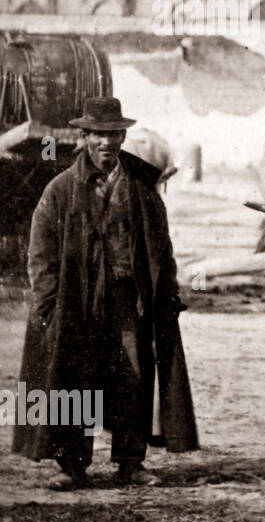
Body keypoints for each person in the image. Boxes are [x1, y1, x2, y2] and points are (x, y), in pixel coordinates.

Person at [12, 97, 199, 489]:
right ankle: (73, 468)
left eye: (114, 134)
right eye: (99, 134)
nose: (107, 143)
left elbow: (161, 249)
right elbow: (41, 254)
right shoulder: (59, 191)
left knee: (132, 378)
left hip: (128, 303)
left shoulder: (142, 191)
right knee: (77, 380)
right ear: (84, 137)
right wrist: (48, 305)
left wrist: (167, 296)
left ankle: (130, 463)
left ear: (122, 136)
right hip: (77, 304)